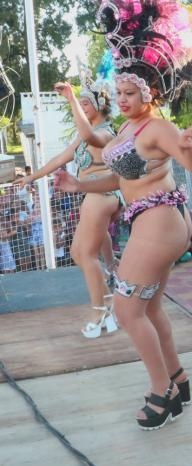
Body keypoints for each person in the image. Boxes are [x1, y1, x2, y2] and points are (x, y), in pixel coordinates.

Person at [56, 0, 192, 430]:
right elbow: (118, 180)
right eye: (119, 93)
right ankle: (178, 379)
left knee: (126, 311)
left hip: (160, 223)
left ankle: (161, 392)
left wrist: (191, 149)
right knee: (150, 308)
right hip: (150, 220)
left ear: (151, 93)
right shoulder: (127, 129)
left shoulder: (158, 127)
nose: (122, 99)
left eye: (130, 93)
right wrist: (79, 185)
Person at [15, 68, 120, 338]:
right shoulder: (87, 134)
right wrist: (32, 177)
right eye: (81, 103)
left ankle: (101, 309)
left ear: (99, 106)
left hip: (103, 195)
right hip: (93, 195)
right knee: (78, 253)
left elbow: (88, 137)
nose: (82, 107)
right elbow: (60, 158)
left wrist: (72, 99)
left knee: (84, 254)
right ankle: (108, 300)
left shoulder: (106, 133)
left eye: (86, 103)